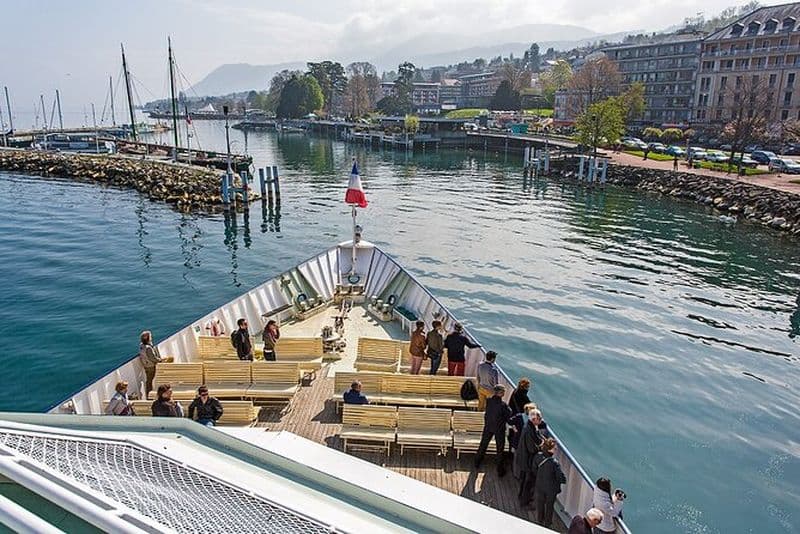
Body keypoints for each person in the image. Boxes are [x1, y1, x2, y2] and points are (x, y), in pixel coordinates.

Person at [474, 384, 511, 476]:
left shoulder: (489, 401)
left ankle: (477, 462)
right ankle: (500, 470)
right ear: (501, 393)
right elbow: (509, 415)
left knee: (483, 444)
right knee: (499, 449)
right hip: (499, 429)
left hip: (488, 426)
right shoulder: (503, 405)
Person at [532, 437, 566, 528]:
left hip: (540, 486)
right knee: (549, 507)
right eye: (555, 448)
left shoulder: (538, 456)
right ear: (551, 449)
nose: (555, 450)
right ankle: (547, 524)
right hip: (551, 489)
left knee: (540, 504)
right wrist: (563, 479)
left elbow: (534, 469)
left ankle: (540, 520)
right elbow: (560, 478)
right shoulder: (554, 463)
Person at [515, 407, 546, 506]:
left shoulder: (530, 426)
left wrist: (541, 440)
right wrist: (540, 447)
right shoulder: (529, 430)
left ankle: (521, 496)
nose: (541, 420)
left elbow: (536, 436)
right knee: (528, 482)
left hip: (524, 458)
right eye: (539, 419)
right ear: (534, 420)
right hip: (527, 460)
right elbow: (531, 449)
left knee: (524, 480)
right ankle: (524, 502)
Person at [139, 330, 164, 398]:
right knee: (150, 381)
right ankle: (149, 395)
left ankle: (149, 394)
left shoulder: (141, 346)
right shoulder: (148, 348)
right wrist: (160, 360)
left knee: (149, 380)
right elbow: (152, 358)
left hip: (146, 365)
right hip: (150, 366)